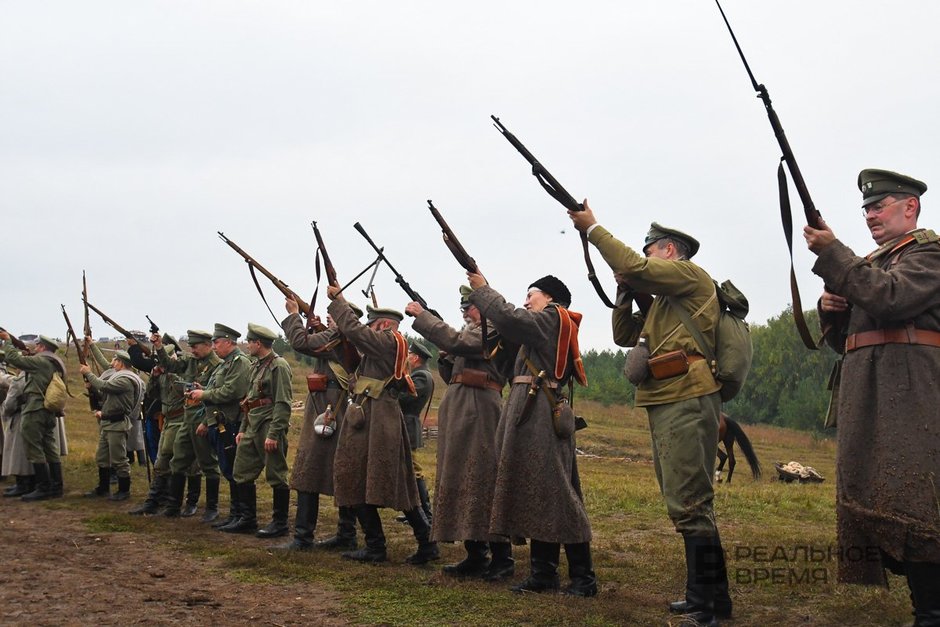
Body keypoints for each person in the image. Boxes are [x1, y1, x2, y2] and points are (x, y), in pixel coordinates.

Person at [570, 207, 728, 621]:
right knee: (685, 499)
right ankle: (715, 597)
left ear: (670, 251)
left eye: (650, 251)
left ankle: (704, 604)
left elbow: (632, 264)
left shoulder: (690, 275)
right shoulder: (665, 302)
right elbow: (624, 335)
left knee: (690, 501)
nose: (645, 260)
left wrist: (592, 229)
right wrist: (624, 292)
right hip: (668, 396)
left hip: (687, 394)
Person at [804, 168, 940, 625]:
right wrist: (830, 308)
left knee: (916, 499)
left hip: (911, 397)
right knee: (872, 492)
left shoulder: (930, 254)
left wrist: (836, 256)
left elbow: (892, 299)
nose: (869, 215)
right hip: (869, 394)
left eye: (879, 205)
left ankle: (931, 611)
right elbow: (848, 334)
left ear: (911, 207)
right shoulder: (871, 262)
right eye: (865, 208)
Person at [464, 273, 596, 597]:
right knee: (540, 496)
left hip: (540, 417)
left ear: (550, 298)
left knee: (559, 497)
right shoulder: (542, 325)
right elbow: (508, 327)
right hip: (531, 416)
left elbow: (511, 318)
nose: (526, 301)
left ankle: (584, 578)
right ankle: (543, 576)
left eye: (531, 295)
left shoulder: (552, 318)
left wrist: (483, 290)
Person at [407, 285, 515, 581]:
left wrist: (425, 318)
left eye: (469, 307)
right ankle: (475, 552)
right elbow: (452, 374)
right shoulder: (473, 330)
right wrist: (445, 354)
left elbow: (461, 342)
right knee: (459, 476)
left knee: (483, 477)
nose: (466, 312)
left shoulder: (492, 326)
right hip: (461, 406)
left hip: (481, 408)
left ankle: (502, 557)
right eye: (463, 309)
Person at [325, 290, 438, 566]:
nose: (367, 330)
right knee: (356, 477)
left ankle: (419, 544)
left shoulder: (389, 342)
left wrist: (338, 301)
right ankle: (381, 545)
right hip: (369, 416)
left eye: (372, 325)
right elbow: (352, 355)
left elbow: (356, 332)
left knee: (396, 484)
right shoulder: (380, 349)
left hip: (379, 419)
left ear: (384, 326)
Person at [278, 299, 361, 551]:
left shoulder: (343, 338)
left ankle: (305, 537)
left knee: (310, 471)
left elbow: (300, 343)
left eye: (333, 316)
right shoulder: (335, 337)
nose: (328, 319)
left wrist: (294, 316)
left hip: (332, 410)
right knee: (313, 471)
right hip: (327, 408)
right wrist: (313, 327)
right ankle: (344, 534)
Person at [222, 323, 293, 537]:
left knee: (276, 474)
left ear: (258, 343)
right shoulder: (255, 365)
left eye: (249, 342)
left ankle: (280, 523)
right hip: (252, 426)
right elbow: (249, 401)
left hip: (268, 425)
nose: (247, 345)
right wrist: (243, 428)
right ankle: (247, 519)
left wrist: (274, 433)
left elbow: (283, 403)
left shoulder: (278, 366)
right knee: (241, 472)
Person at [126, 335, 202, 516]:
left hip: (182, 419)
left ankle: (190, 502)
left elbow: (186, 393)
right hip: (168, 422)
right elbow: (152, 394)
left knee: (189, 464)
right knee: (162, 462)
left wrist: (170, 374)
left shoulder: (181, 374)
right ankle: (155, 501)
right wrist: (154, 377)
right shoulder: (160, 375)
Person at [187, 323, 251, 531]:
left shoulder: (239, 363)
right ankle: (235, 514)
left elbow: (232, 391)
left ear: (228, 342)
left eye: (216, 342)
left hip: (230, 422)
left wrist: (204, 395)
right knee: (227, 468)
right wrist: (203, 390)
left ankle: (242, 516)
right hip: (220, 421)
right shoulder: (225, 364)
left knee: (233, 469)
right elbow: (219, 389)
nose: (214, 347)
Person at [154, 329, 222, 520]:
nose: (192, 350)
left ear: (208, 345)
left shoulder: (218, 365)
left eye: (195, 346)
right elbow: (169, 365)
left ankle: (211, 508)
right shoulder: (191, 361)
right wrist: (159, 346)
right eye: (190, 346)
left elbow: (217, 396)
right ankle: (173, 505)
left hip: (204, 419)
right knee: (178, 461)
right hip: (187, 418)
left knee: (208, 463)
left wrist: (207, 422)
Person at [0, 333, 67, 501]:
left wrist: (7, 340)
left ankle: (43, 487)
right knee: (49, 448)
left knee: (34, 448)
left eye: (37, 346)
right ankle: (55, 486)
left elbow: (14, 359)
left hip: (34, 409)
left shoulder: (41, 362)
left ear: (43, 347)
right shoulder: (55, 363)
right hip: (47, 410)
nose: (35, 349)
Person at [80, 350, 145, 501]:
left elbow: (105, 386)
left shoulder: (125, 379)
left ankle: (124, 490)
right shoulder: (120, 377)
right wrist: (91, 387)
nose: (112, 363)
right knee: (102, 457)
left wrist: (89, 373)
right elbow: (105, 394)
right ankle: (103, 488)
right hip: (108, 423)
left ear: (121, 362)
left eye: (115, 361)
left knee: (119, 459)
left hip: (117, 423)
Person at [397, 339, 434, 523]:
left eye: (410, 355)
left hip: (409, 424)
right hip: (407, 423)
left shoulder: (422, 376)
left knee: (414, 471)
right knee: (408, 471)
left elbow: (406, 399)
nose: (408, 358)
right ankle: (415, 511)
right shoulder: (421, 374)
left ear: (416, 357)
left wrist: (393, 391)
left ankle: (425, 513)